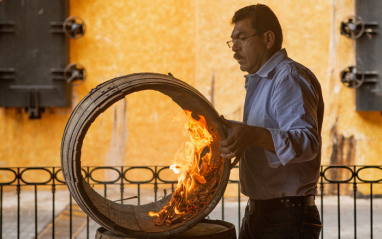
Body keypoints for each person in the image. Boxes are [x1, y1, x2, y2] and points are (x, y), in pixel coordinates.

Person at [219, 4, 324, 239]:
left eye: (241, 38)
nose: (234, 48)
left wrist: (252, 135)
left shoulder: (288, 77)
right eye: (232, 41)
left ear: (268, 39)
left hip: (287, 218)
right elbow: (263, 134)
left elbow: (307, 142)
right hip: (262, 213)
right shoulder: (261, 81)